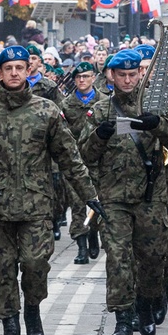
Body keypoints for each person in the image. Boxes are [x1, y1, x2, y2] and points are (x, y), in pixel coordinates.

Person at [0, 45, 102, 335]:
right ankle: (10, 333)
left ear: (28, 71)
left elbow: (69, 157)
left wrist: (90, 194)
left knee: (36, 265)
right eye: (7, 68)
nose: (13, 73)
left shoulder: (46, 111)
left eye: (19, 68)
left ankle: (33, 308)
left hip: (36, 206)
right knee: (2, 271)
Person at [79, 49, 168, 335]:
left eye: (133, 74)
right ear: (111, 76)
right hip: (114, 198)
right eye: (122, 75)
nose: (128, 80)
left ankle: (145, 305)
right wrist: (99, 135)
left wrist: (160, 126)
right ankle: (122, 319)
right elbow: (83, 154)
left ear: (141, 75)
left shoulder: (159, 108)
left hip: (152, 198)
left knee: (153, 258)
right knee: (118, 259)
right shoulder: (101, 110)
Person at [60, 62, 102, 263]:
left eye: (86, 76)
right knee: (77, 204)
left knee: (96, 202)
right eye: (78, 77)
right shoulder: (67, 104)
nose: (82, 80)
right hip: (76, 163)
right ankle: (81, 246)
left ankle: (93, 232)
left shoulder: (104, 102)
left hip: (99, 162)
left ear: (93, 77)